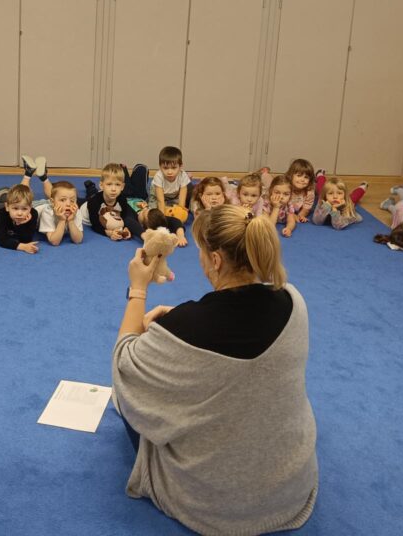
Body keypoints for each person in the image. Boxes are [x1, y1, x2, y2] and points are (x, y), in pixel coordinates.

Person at [111, 205, 318, 534]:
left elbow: (124, 364)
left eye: (201, 251)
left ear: (216, 259)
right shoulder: (294, 300)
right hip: (288, 490)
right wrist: (179, 323)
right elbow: (234, 333)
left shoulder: (184, 329)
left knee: (130, 392)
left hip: (216, 504)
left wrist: (138, 289)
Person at [81, 163, 143, 241]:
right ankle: (90, 187)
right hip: (87, 208)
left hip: (104, 196)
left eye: (117, 185)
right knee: (89, 196)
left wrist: (126, 229)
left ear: (122, 187)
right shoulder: (93, 202)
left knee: (98, 193)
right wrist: (109, 233)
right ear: (101, 185)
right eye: (109, 184)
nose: (113, 189)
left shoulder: (122, 198)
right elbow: (95, 225)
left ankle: (91, 187)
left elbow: (124, 216)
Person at [0, 183, 41, 253]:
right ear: (7, 207)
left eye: (24, 209)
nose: (19, 213)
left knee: (13, 202)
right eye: (15, 208)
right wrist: (22, 247)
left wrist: (20, 224)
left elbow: (27, 239)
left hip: (10, 205)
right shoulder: (2, 213)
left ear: (30, 207)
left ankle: (4, 195)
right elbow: (1, 239)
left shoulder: (33, 213)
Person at [149, 146, 191, 223]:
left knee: (179, 208)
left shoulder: (183, 175)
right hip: (158, 194)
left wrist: (180, 209)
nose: (170, 172)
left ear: (180, 167)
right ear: (160, 167)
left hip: (174, 195)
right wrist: (162, 217)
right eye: (165, 168)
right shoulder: (158, 176)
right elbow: (160, 200)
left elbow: (182, 194)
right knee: (153, 210)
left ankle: (169, 205)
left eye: (174, 168)